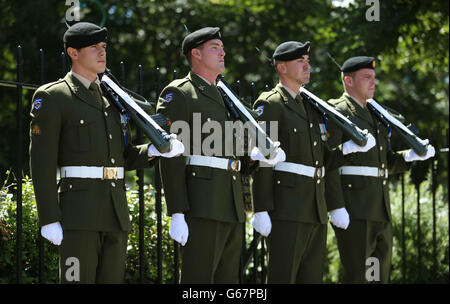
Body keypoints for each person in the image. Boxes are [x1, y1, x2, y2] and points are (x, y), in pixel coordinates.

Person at [29, 22, 183, 283]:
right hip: (78, 215)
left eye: (103, 47)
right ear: (73, 53)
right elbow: (41, 162)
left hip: (114, 212)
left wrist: (154, 150)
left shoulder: (113, 100)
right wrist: (49, 217)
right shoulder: (54, 97)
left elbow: (123, 156)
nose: (102, 53)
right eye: (93, 47)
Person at [250, 41, 375, 283]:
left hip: (315, 209)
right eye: (300, 62)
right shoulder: (270, 104)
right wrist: (261, 207)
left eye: (308, 61)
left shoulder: (310, 106)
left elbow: (323, 160)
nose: (308, 66)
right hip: (286, 209)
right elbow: (263, 158)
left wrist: (348, 149)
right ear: (282, 68)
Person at [325, 56, 435, 283]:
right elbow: (329, 161)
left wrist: (411, 156)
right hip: (354, 209)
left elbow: (384, 162)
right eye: (367, 77)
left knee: (379, 277)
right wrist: (336, 205)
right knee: (358, 277)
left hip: (380, 209)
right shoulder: (338, 111)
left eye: (374, 77)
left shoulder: (376, 114)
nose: (373, 82)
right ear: (348, 80)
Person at [156, 27, 248, 283]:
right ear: (195, 54)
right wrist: (176, 212)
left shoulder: (225, 95)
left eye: (222, 47)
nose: (223, 52)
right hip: (202, 204)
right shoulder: (180, 93)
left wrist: (254, 154)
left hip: (231, 204)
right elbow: (171, 155)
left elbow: (235, 150)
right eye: (215, 48)